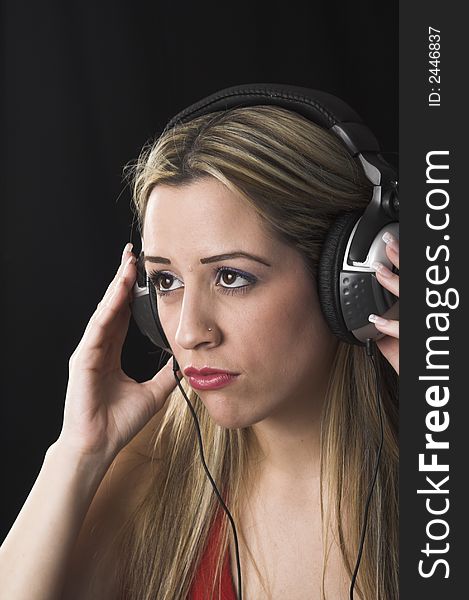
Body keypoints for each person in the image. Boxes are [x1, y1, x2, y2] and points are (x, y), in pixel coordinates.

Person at [0, 103, 399, 599]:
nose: (188, 332)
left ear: (347, 282)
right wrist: (78, 453)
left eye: (232, 277)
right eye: (165, 280)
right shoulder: (151, 476)